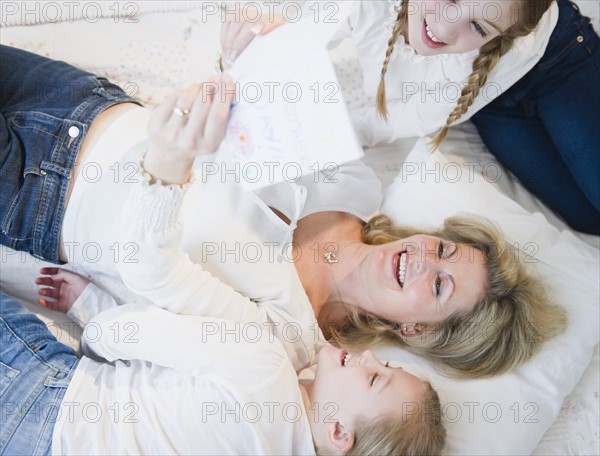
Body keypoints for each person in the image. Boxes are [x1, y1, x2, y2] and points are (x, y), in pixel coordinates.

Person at [0, 44, 566, 380]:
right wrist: (244, 52)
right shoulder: (357, 187)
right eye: (443, 249)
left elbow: (156, 277)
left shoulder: (287, 336)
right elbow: (268, 97)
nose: (423, 258)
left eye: (441, 285)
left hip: (42, 195)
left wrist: (169, 165)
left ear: (418, 332)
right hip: (83, 102)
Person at [222, 0, 598, 234]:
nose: (445, 27)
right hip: (491, 100)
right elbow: (300, 27)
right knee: (587, 219)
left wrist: (329, 136)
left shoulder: (461, 67)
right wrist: (267, 32)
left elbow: (388, 124)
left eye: (478, 26)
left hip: (556, 64)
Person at [0, 282, 446, 455]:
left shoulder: (268, 367)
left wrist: (86, 310)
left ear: (338, 434)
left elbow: (143, 333)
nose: (368, 355)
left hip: (49, 403)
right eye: (382, 360)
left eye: (374, 377)